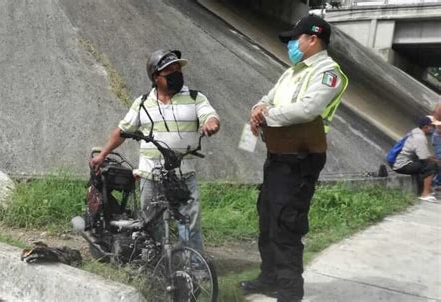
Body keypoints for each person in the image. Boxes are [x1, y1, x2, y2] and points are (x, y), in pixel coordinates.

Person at [239, 14, 349, 302]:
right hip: (277, 156)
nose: (291, 44)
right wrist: (258, 108)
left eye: (294, 38)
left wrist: (266, 117)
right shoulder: (292, 72)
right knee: (267, 219)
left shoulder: (329, 72)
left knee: (286, 224)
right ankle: (269, 278)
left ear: (313, 39)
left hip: (301, 159)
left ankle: (289, 292)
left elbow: (307, 109)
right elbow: (268, 97)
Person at [90, 49, 220, 252]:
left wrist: (211, 123)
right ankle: (159, 263)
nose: (176, 73)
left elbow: (210, 116)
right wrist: (103, 154)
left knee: (188, 223)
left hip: (182, 174)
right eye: (169, 71)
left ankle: (195, 269)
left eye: (178, 69)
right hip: (150, 174)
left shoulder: (195, 98)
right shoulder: (142, 103)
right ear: (155, 77)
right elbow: (122, 131)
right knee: (151, 222)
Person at [393, 116, 439, 202]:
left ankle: (426, 190)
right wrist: (436, 161)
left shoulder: (416, 134)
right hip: (403, 165)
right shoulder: (419, 138)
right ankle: (425, 194)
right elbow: (424, 158)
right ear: (426, 127)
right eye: (432, 127)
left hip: (405, 163)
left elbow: (422, 154)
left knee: (431, 163)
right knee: (432, 165)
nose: (433, 129)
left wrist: (432, 158)